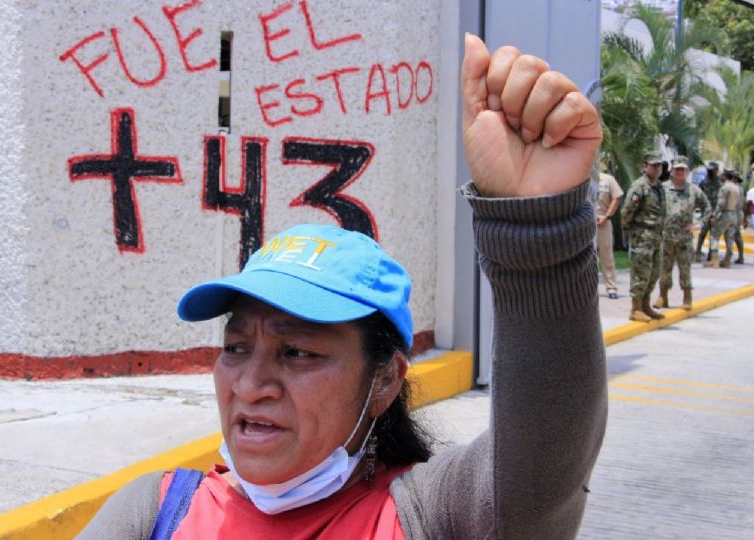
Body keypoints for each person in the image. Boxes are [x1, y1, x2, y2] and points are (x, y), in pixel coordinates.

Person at [78, 35, 608, 539]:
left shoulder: (429, 517)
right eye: (236, 347)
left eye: (299, 352)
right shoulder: (155, 512)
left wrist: (540, 236)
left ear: (384, 382)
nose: (250, 383)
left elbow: (540, 464)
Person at [655, 156, 709, 311]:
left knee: (685, 268)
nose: (680, 172)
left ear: (687, 172)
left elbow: (707, 207)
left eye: (683, 169)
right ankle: (662, 296)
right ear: (671, 171)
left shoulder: (693, 190)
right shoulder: (662, 188)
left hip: (684, 237)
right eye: (677, 169)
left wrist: (699, 224)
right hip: (665, 236)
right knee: (664, 268)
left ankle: (687, 297)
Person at [621, 152, 667, 322]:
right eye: (653, 165)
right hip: (642, 235)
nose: (657, 169)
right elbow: (627, 212)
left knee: (654, 272)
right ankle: (635, 309)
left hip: (656, 236)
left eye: (659, 166)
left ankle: (646, 306)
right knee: (641, 273)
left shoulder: (659, 186)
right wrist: (630, 231)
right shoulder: (639, 186)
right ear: (645, 166)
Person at [596, 167, 624, 299]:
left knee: (606, 255)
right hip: (584, 220)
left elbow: (617, 197)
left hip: (603, 220)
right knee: (584, 257)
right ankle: (587, 289)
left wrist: (607, 216)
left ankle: (611, 287)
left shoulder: (607, 179)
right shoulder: (580, 176)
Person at [704, 169, 741, 268]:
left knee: (714, 235)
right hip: (734, 214)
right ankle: (727, 259)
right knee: (730, 238)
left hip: (725, 214)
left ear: (725, 176)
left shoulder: (725, 187)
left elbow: (721, 203)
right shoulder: (736, 188)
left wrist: (714, 215)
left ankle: (714, 260)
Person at [694, 162, 721, 260]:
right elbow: (698, 195)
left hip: (716, 212)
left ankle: (711, 254)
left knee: (713, 234)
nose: (710, 171)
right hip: (705, 211)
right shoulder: (704, 182)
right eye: (708, 170)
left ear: (716, 170)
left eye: (712, 170)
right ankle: (697, 252)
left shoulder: (720, 183)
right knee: (703, 233)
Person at [733, 173, 746, 264]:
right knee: (737, 235)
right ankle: (741, 256)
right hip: (740, 212)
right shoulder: (741, 188)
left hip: (734, 213)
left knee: (733, 235)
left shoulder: (735, 188)